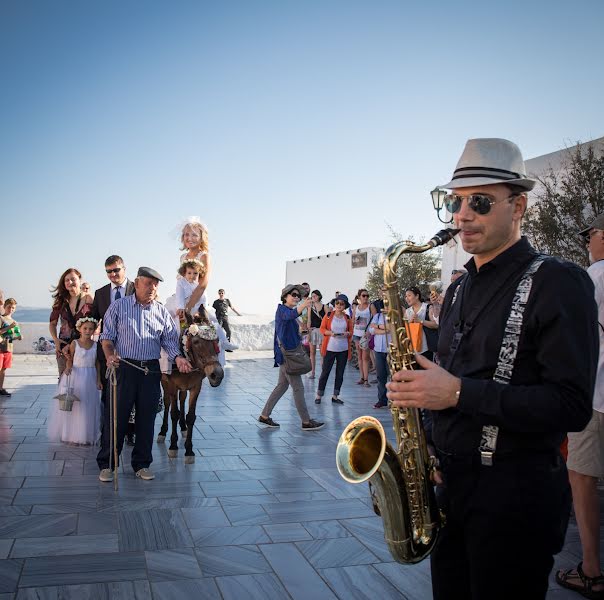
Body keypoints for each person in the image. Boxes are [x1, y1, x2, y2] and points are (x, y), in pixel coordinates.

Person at [386, 138, 598, 599]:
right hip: (454, 490)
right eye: (454, 201)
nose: (462, 215)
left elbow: (572, 405)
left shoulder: (559, 281)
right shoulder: (460, 290)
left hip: (516, 501)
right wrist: (427, 422)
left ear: (518, 205)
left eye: (479, 202)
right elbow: (450, 377)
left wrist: (457, 393)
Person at [96, 267, 193, 482]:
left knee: (146, 419)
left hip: (150, 370)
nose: (153, 287)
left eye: (156, 284)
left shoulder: (161, 312)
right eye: (148, 283)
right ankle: (108, 464)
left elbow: (169, 341)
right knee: (116, 417)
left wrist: (178, 358)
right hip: (124, 368)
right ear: (137, 284)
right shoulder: (118, 307)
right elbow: (107, 337)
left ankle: (141, 464)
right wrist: (110, 355)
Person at [555, 215, 604, 598]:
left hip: (597, 395)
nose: (588, 241)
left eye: (590, 234)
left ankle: (590, 567)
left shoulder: (594, 277)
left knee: (582, 477)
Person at [258, 284, 324, 431]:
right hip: (288, 356)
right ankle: (306, 421)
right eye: (293, 294)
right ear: (285, 297)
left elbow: (290, 327)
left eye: (297, 296)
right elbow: (290, 315)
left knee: (282, 385)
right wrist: (304, 306)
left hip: (287, 355)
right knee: (298, 388)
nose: (296, 297)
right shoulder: (282, 310)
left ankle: (264, 415)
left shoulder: (288, 311)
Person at [90, 255, 135, 445]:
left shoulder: (136, 288)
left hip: (132, 352)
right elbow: (93, 320)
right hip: (106, 354)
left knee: (131, 396)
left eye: (116, 270)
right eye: (109, 271)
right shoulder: (100, 293)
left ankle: (130, 432)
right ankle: (109, 432)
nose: (113, 274)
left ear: (124, 268)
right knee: (108, 395)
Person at [47, 317, 102, 445]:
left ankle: (87, 435)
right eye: (85, 328)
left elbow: (97, 363)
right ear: (79, 329)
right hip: (76, 375)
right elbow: (70, 359)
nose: (88, 331)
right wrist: (67, 367)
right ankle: (71, 435)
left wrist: (98, 379)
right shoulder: (74, 343)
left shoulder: (96, 345)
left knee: (88, 406)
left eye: (90, 329)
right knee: (76, 406)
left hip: (90, 376)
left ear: (94, 330)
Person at [49, 268, 94, 377]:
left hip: (83, 344)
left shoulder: (88, 298)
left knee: (82, 378)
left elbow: (94, 322)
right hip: (63, 344)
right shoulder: (60, 300)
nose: (70, 282)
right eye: (67, 280)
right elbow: (52, 323)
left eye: (73, 279)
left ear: (79, 280)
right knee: (64, 378)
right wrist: (56, 340)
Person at [314, 294, 353, 404]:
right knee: (325, 372)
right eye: (337, 303)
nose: (339, 305)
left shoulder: (347, 318)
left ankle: (335, 396)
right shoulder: (328, 315)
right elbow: (322, 329)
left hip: (343, 349)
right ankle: (318, 395)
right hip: (330, 348)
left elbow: (351, 332)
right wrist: (331, 333)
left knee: (340, 374)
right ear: (335, 304)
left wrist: (347, 333)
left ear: (345, 306)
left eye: (342, 303)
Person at [404, 286, 438, 361]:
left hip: (426, 349)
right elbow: (403, 329)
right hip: (412, 349)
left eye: (409, 295)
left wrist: (421, 321)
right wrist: (409, 322)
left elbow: (436, 325)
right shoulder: (407, 311)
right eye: (406, 296)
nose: (407, 298)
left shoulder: (428, 307)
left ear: (417, 296)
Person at [370, 292, 390, 408]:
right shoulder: (377, 316)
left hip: (390, 350)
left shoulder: (394, 316)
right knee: (380, 376)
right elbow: (372, 331)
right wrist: (384, 329)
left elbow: (392, 328)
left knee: (392, 376)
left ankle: (394, 400)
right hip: (379, 349)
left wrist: (378, 327)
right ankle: (382, 400)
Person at [0, 298, 22, 397]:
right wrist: (9, 327)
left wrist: (19, 337)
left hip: (8, 348)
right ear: (4, 307)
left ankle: (0, 388)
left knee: (3, 369)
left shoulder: (14, 321)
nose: (11, 309)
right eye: (9, 307)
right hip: (0, 348)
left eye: (13, 308)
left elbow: (12, 336)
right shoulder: (1, 318)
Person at [352, 288, 372, 386]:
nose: (366, 297)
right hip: (356, 334)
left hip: (366, 335)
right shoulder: (356, 308)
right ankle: (362, 377)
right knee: (359, 356)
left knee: (365, 357)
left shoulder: (370, 307)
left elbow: (374, 319)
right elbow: (353, 320)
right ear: (359, 297)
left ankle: (366, 379)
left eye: (367, 296)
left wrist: (370, 332)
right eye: (364, 295)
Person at [306, 289, 325, 379]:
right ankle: (312, 372)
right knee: (312, 353)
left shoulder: (325, 307)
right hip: (313, 331)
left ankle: (323, 372)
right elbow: (309, 320)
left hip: (321, 331)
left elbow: (326, 321)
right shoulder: (310, 307)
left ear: (319, 296)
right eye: (312, 296)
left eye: (315, 296)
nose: (313, 297)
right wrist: (309, 332)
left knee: (322, 353)